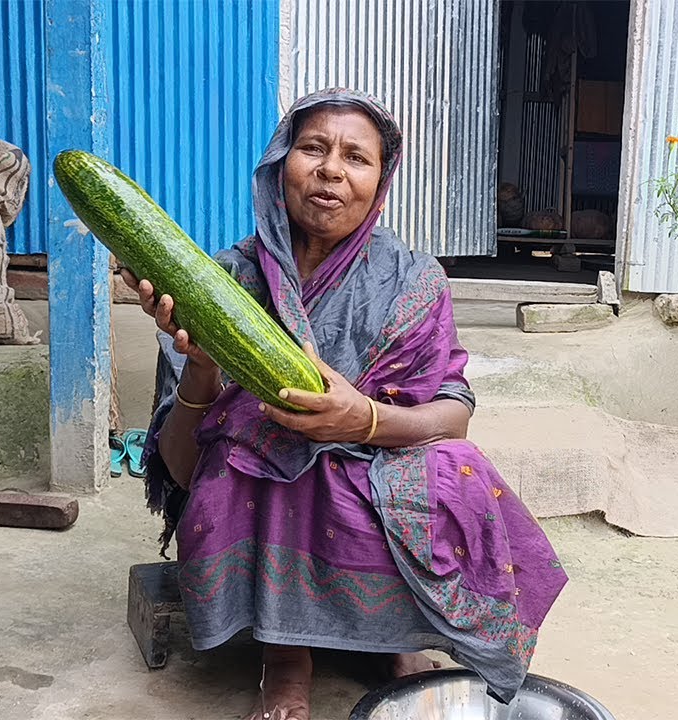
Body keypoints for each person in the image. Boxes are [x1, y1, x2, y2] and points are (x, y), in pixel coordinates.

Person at [125, 88, 567, 720]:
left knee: (454, 473)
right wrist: (202, 370)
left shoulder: (415, 279)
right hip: (268, 476)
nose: (332, 169)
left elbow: (453, 415)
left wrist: (365, 418)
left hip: (378, 455)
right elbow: (181, 466)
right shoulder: (222, 283)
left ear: (380, 181)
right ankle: (285, 657)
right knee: (263, 453)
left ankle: (395, 635)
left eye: (356, 157)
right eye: (313, 148)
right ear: (281, 165)